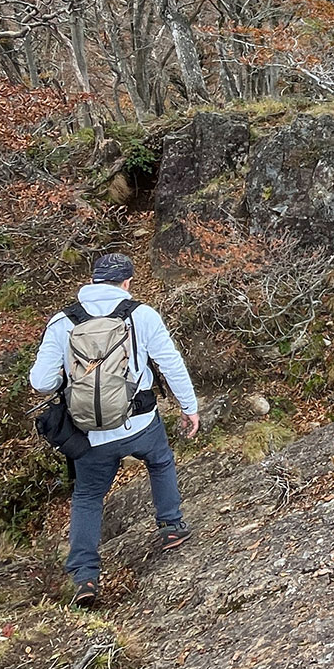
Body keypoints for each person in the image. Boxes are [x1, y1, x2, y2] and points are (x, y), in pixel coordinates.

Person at [29, 252, 200, 606]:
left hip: (89, 433)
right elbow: (170, 362)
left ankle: (85, 577)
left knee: (88, 496)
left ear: (91, 281)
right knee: (160, 461)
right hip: (139, 421)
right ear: (126, 283)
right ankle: (170, 527)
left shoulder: (63, 321)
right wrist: (190, 408)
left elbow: (41, 381)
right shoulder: (141, 314)